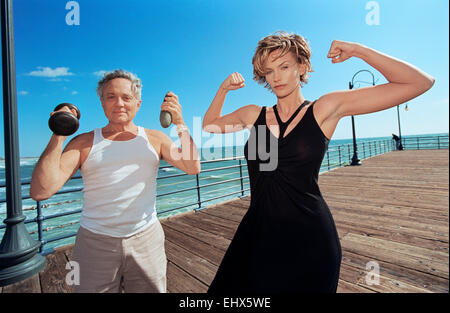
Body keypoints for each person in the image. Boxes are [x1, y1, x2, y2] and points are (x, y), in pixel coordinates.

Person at [202, 32, 434, 293]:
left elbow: (418, 83)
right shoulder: (252, 114)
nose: (276, 77)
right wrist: (223, 89)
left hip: (310, 240)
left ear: (301, 67)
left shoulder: (324, 109)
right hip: (257, 234)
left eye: (284, 66)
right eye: (269, 71)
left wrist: (359, 50)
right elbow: (209, 124)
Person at [30, 69, 201, 293]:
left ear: (138, 103)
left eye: (126, 97)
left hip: (146, 239)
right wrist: (60, 131)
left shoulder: (155, 139)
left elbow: (192, 166)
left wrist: (180, 123)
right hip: (94, 243)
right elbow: (41, 190)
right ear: (102, 103)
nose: (119, 103)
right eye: (111, 97)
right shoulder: (84, 142)